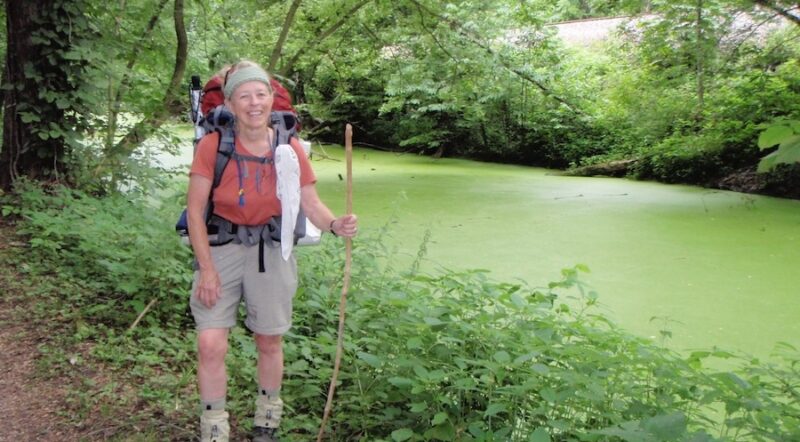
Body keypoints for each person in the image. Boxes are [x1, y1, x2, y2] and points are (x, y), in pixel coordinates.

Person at [186, 60, 358, 442]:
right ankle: (213, 425)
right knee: (210, 342)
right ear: (230, 104)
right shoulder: (214, 146)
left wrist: (333, 224)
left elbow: (310, 203)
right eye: (244, 96)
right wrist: (207, 269)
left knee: (269, 339)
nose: (253, 103)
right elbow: (196, 212)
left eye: (260, 94)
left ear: (271, 100)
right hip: (221, 249)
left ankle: (268, 415)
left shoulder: (289, 146)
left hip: (271, 250)